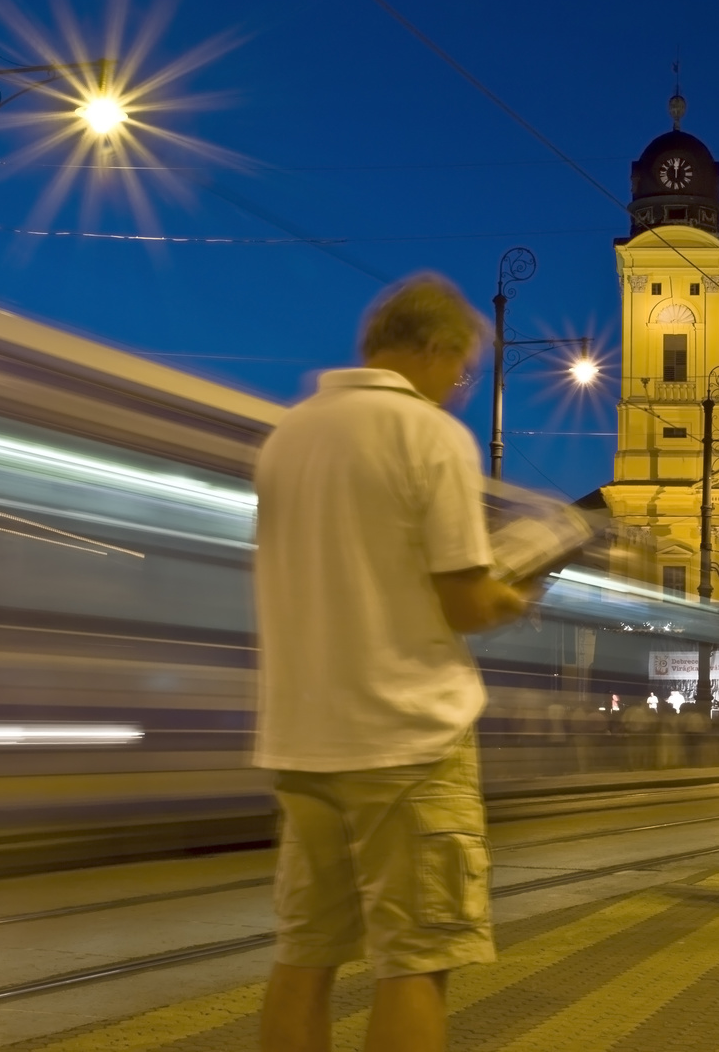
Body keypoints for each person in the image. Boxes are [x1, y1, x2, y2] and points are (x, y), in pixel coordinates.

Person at [253, 274, 533, 1052]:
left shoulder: (290, 435)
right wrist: (513, 592)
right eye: (462, 370)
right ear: (436, 348)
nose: (458, 388)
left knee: (303, 956)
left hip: (302, 741)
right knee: (415, 961)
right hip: (407, 742)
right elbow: (463, 601)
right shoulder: (428, 434)